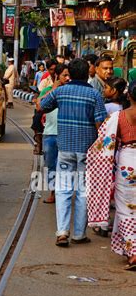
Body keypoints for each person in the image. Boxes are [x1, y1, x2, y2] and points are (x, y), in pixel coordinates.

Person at [39, 58, 107, 247]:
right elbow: (101, 123)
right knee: (84, 191)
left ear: (70, 74)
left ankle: (62, 232)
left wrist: (57, 85)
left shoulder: (61, 91)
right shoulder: (94, 95)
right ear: (87, 74)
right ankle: (78, 234)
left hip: (65, 149)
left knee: (63, 190)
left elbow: (42, 106)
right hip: (87, 150)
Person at [87, 80, 136, 270]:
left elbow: (103, 143)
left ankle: (133, 253)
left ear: (128, 95)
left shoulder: (119, 117)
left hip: (127, 163)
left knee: (125, 209)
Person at [42, 63, 71, 204]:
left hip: (66, 134)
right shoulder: (48, 90)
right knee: (50, 164)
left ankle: (63, 192)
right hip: (50, 133)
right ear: (56, 76)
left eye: (69, 75)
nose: (67, 78)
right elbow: (39, 105)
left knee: (65, 165)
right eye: (64, 75)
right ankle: (53, 191)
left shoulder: (71, 91)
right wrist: (53, 90)